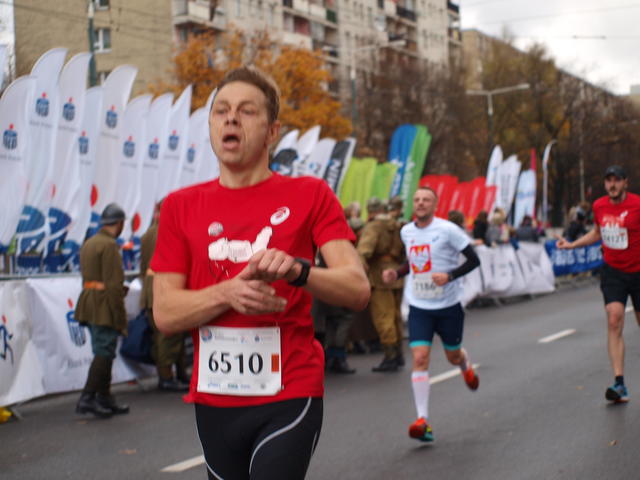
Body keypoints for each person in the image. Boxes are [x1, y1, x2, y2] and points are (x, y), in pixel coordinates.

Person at [150, 66, 370, 480]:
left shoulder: (310, 194)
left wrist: (299, 271)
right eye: (221, 111)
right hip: (214, 399)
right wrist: (226, 293)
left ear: (272, 132)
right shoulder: (180, 206)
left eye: (246, 111)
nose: (231, 119)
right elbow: (165, 312)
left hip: (289, 390)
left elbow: (357, 288)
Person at [382, 186, 480, 443]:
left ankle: (464, 364)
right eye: (417, 199)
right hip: (420, 306)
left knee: (452, 356)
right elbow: (414, 262)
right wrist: (396, 273)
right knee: (420, 357)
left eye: (426, 200)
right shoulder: (406, 231)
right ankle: (422, 420)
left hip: (448, 306)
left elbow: (474, 260)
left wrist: (450, 276)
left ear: (435, 205)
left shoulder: (448, 230)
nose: (421, 203)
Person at [557, 165, 640, 403]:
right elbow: (597, 232)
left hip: (638, 271)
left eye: (616, 180)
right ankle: (619, 383)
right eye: (608, 181)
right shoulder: (599, 206)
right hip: (613, 272)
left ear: (625, 182)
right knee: (614, 319)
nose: (612, 185)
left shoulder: (637, 204)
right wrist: (572, 245)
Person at [74, 203, 130, 418]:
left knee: (104, 350)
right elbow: (113, 285)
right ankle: (87, 398)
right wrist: (120, 316)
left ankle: (104, 397)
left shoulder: (90, 242)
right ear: (119, 223)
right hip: (103, 305)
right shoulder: (109, 245)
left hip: (89, 301)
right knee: (104, 351)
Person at [140, 202, 189, 392]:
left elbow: (143, 266)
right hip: (165, 284)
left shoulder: (147, 234)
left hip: (150, 286)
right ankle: (167, 376)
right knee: (167, 335)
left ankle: (176, 373)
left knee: (165, 334)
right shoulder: (167, 231)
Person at [357, 197, 406, 372]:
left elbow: (364, 252)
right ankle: (398, 354)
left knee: (383, 317)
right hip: (396, 273)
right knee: (395, 316)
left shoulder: (374, 226)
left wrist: (360, 273)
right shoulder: (397, 225)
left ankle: (390, 356)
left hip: (379, 276)